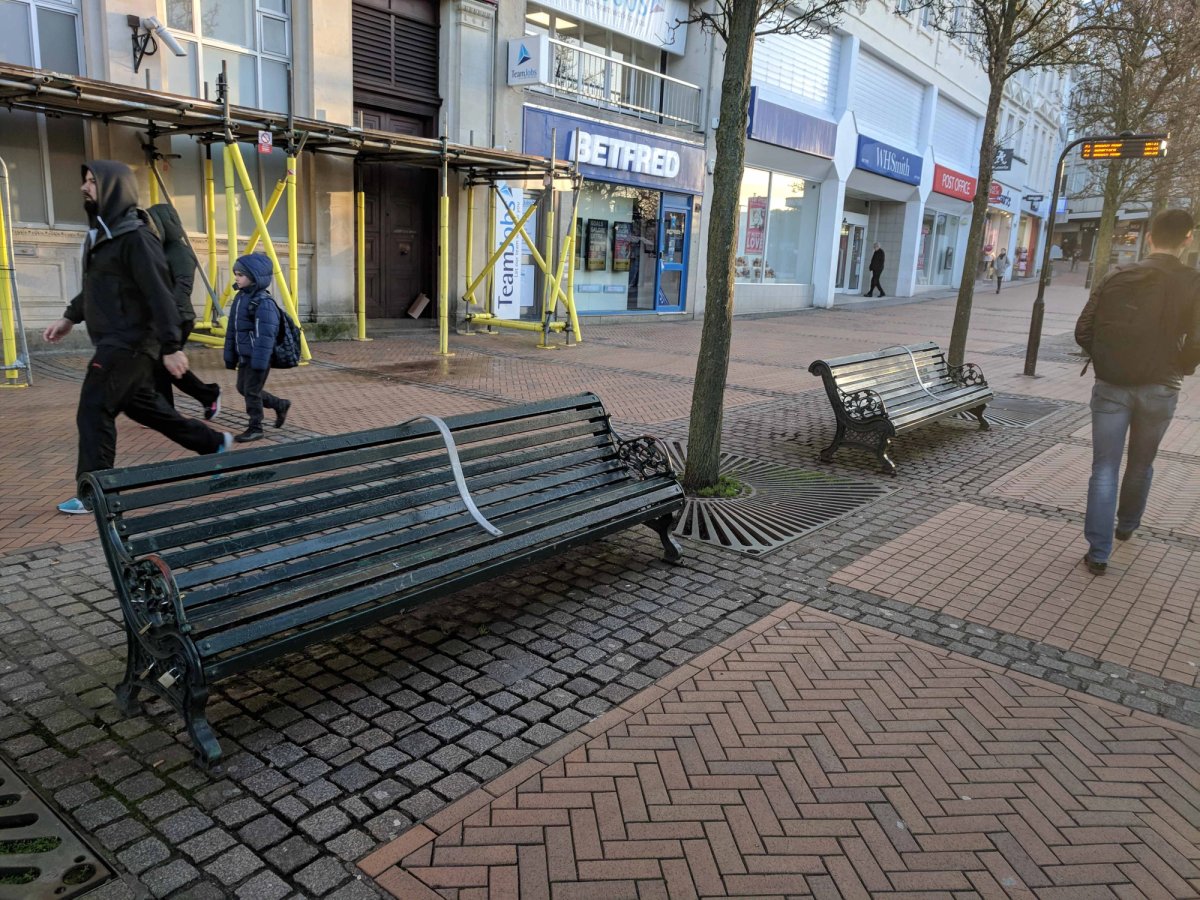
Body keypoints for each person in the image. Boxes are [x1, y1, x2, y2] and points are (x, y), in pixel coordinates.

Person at [42, 160, 231, 514]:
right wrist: (69, 317)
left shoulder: (136, 237)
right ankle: (213, 442)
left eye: (92, 182)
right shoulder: (105, 236)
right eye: (85, 181)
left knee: (94, 410)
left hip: (128, 343)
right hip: (118, 341)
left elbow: (160, 293)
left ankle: (95, 493)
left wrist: (171, 346)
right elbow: (97, 289)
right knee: (147, 409)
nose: (84, 188)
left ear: (112, 187)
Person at [1075, 209, 1200, 575]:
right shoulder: (1193, 282)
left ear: (1149, 237)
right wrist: (1180, 366)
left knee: (1104, 468)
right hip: (1161, 385)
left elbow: (1083, 329)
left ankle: (1098, 552)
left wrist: (1107, 360)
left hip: (1111, 385)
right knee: (1142, 462)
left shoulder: (1117, 275)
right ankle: (1127, 525)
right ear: (1188, 239)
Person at [146, 203, 221, 419]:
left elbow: (184, 286)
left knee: (166, 363)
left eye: (152, 224)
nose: (150, 229)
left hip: (178, 318)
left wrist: (167, 313)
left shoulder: (179, 251)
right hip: (166, 317)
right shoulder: (161, 250)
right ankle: (165, 410)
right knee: (159, 366)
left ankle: (209, 395)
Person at [224, 253, 291, 443]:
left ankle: (255, 428)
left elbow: (266, 335)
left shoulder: (263, 302)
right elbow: (232, 330)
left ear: (255, 276)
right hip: (245, 355)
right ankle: (279, 404)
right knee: (242, 388)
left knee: (251, 391)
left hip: (259, 357)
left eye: (241, 274)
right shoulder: (240, 298)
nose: (237, 278)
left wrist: (260, 360)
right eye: (236, 274)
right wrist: (230, 355)